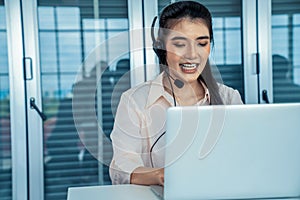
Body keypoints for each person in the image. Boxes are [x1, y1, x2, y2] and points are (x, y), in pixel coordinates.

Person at [109, 1, 243, 186]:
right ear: (161, 47)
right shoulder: (135, 101)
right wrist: (161, 175)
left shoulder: (229, 98)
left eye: (202, 43)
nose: (192, 55)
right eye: (180, 44)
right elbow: (121, 167)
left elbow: (244, 158)